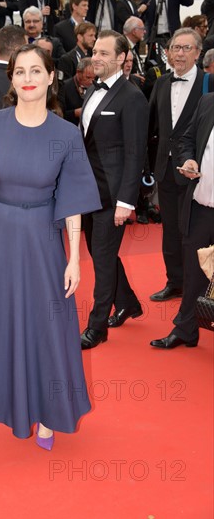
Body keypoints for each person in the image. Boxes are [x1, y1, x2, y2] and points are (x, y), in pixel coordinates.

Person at [0, 43, 101, 466]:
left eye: (36, 70)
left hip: (43, 243)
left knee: (47, 330)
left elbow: (71, 201)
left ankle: (49, 414)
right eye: (19, 71)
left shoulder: (66, 135)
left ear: (52, 77)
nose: (28, 78)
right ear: (11, 79)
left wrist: (73, 258)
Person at [80, 30, 149, 348]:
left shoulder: (132, 96)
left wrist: (126, 201)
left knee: (104, 258)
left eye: (104, 53)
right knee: (98, 253)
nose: (96, 57)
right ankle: (128, 303)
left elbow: (136, 152)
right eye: (95, 51)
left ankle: (97, 326)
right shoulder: (90, 90)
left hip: (113, 196)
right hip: (89, 191)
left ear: (122, 58)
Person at [148, 28, 214, 303]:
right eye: (175, 48)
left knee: (194, 232)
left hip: (198, 174)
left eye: (186, 48)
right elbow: (152, 126)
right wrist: (149, 166)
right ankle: (174, 281)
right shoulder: (161, 84)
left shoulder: (208, 83)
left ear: (198, 53)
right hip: (166, 169)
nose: (179, 53)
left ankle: (197, 285)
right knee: (170, 230)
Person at [150, 93, 214, 348]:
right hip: (200, 205)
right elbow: (186, 139)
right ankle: (186, 328)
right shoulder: (208, 101)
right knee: (194, 270)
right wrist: (188, 159)